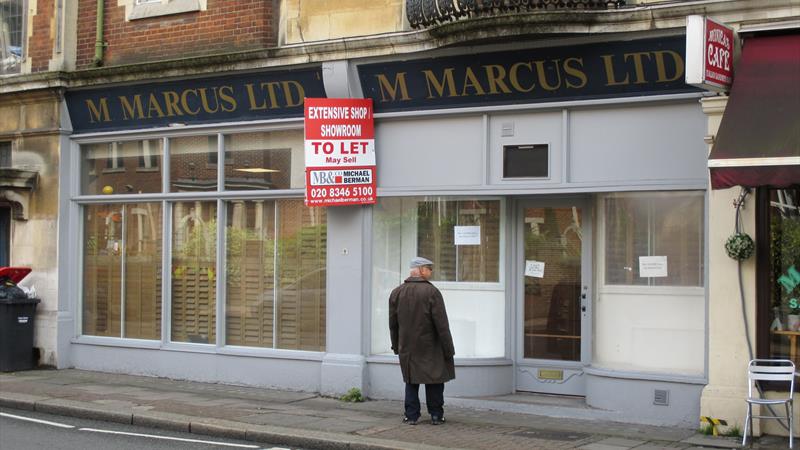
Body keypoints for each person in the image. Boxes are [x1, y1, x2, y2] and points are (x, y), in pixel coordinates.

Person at [389, 256, 455, 426]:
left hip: (408, 347)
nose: (431, 272)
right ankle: (436, 415)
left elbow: (393, 324)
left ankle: (411, 416)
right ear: (422, 270)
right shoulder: (432, 292)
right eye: (429, 269)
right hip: (430, 346)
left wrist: (396, 346)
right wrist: (449, 348)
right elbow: (442, 324)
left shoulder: (397, 292)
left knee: (411, 381)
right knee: (434, 381)